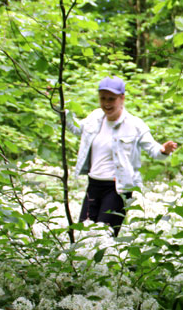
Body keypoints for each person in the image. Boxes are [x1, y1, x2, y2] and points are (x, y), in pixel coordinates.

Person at [67, 76, 177, 236]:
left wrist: (164, 150)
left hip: (117, 190)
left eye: (112, 99)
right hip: (93, 185)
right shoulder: (95, 118)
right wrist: (59, 108)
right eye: (103, 98)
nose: (106, 103)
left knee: (104, 237)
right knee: (82, 234)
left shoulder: (134, 125)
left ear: (122, 98)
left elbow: (154, 150)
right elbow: (76, 128)